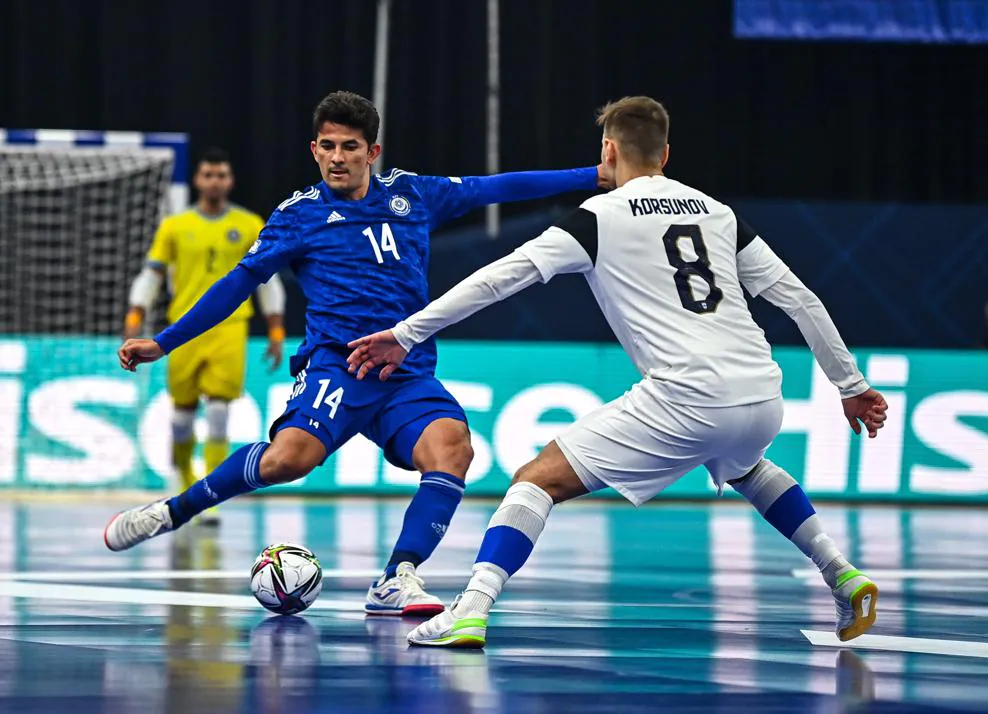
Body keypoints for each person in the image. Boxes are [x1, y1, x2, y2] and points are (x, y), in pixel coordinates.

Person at [344, 96, 888, 647]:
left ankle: (472, 607)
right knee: (744, 465)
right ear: (666, 153)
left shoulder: (598, 217)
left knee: (536, 480)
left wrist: (406, 333)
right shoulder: (717, 213)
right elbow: (801, 300)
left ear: (608, 150)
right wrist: (853, 386)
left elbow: (498, 279)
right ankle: (840, 572)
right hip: (761, 393)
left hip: (687, 396)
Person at [106, 90, 613, 617]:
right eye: (327, 146)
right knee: (288, 459)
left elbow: (497, 188)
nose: (337, 158)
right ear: (314, 149)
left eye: (350, 147)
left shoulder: (413, 195)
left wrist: (592, 178)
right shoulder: (297, 216)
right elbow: (239, 283)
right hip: (336, 368)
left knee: (453, 450)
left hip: (405, 372)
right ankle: (172, 512)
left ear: (372, 153)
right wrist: (163, 341)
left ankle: (398, 576)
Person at [124, 147, 286, 524]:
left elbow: (267, 279)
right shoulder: (175, 226)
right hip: (181, 329)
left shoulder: (249, 224)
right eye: (209, 174)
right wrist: (135, 315)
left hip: (229, 329)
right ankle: (183, 478)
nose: (215, 181)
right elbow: (153, 275)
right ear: (198, 180)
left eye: (222, 175)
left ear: (230, 180)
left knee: (218, 412)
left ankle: (208, 494)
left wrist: (276, 328)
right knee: (181, 416)